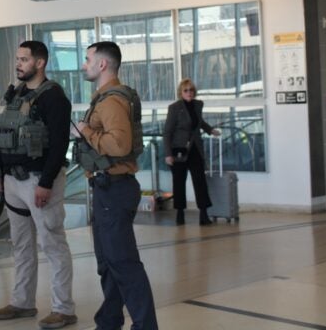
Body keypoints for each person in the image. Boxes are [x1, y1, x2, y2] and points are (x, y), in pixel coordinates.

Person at [0, 40, 77, 330]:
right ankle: (22, 302)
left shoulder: (54, 97)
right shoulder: (16, 94)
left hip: (39, 181)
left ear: (40, 63)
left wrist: (47, 182)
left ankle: (63, 308)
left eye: (24, 59)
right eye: (17, 59)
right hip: (13, 181)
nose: (18, 64)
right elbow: (3, 135)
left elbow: (59, 144)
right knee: (21, 244)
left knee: (52, 242)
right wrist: (0, 176)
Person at [73, 41, 158, 330]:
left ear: (102, 64)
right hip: (107, 188)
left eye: (88, 59)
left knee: (123, 263)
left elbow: (119, 145)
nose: (84, 65)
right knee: (108, 263)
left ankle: (145, 326)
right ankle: (108, 322)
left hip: (115, 188)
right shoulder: (105, 98)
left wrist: (86, 131)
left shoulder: (110, 102)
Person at [163, 78, 220, 226]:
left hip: (195, 148)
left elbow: (199, 121)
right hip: (178, 149)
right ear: (181, 93)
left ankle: (203, 214)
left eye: (191, 90)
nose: (189, 93)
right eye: (186, 90)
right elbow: (167, 132)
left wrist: (210, 130)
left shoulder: (198, 105)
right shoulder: (174, 108)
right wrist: (168, 154)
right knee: (179, 181)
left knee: (200, 181)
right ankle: (180, 213)